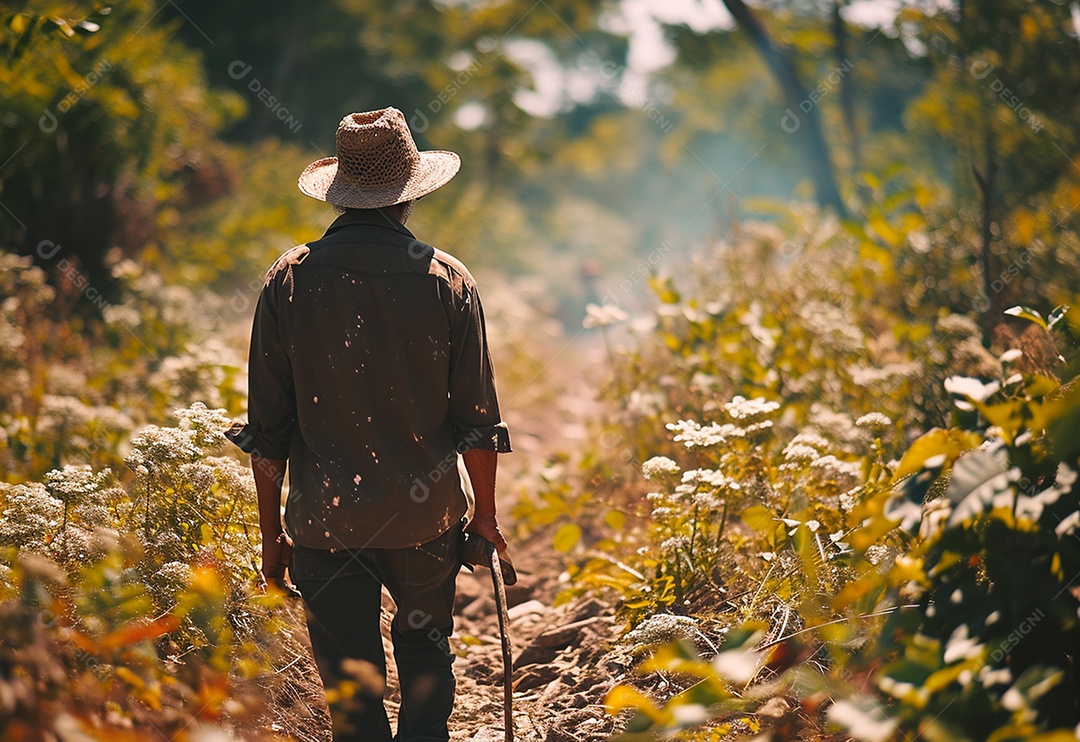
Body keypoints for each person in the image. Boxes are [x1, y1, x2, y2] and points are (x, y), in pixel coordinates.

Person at [225, 107, 512, 742]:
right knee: (425, 656)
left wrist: (273, 537)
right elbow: (478, 419)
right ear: (409, 194)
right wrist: (484, 517)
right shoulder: (447, 279)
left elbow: (267, 431)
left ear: (342, 193)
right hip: (426, 518)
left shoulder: (291, 279)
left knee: (352, 686)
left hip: (325, 522)